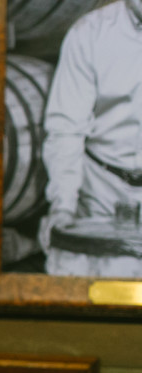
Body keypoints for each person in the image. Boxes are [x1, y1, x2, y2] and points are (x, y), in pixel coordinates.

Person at [39, 0, 142, 278]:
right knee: (88, 288)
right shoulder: (89, 33)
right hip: (100, 189)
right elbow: (66, 128)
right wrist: (63, 204)